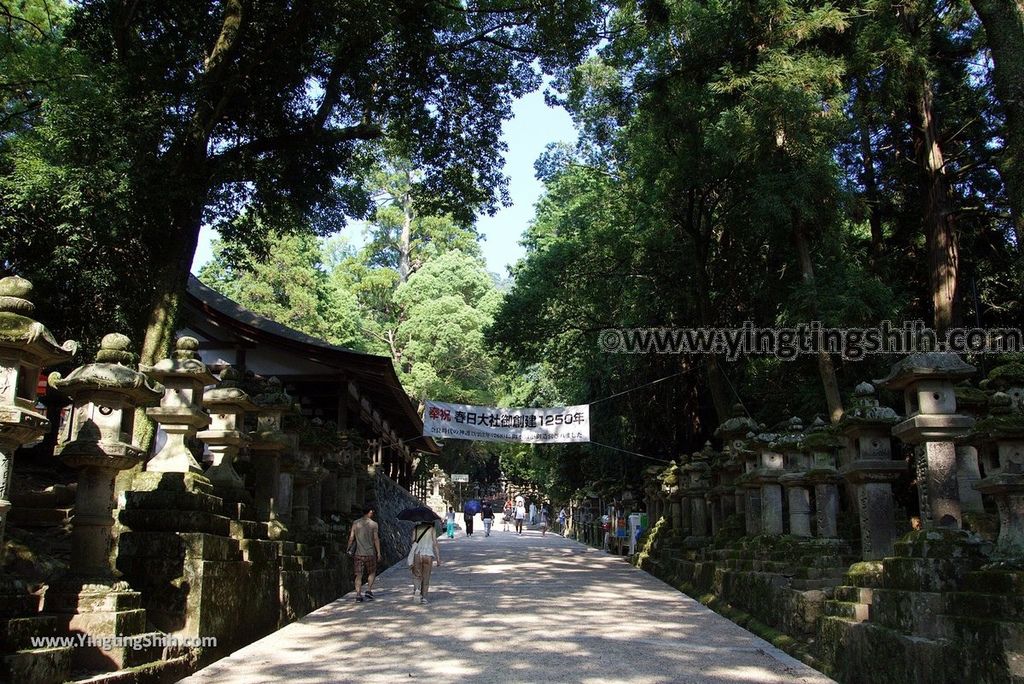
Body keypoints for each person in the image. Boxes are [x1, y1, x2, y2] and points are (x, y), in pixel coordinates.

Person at [348, 505, 382, 603]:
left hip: (358, 553)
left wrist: (348, 548)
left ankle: (358, 595)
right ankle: (369, 590)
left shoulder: (355, 523)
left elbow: (351, 538)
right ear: (370, 512)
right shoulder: (374, 524)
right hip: (370, 553)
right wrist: (378, 552)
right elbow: (376, 539)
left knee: (358, 575)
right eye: (372, 511)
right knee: (371, 572)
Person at [410, 522, 441, 604]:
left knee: (417, 575)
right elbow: (435, 543)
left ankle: (417, 589)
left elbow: (412, 541)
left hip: (418, 553)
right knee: (426, 577)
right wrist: (438, 558)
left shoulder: (416, 528)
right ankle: (424, 598)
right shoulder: (432, 529)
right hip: (428, 555)